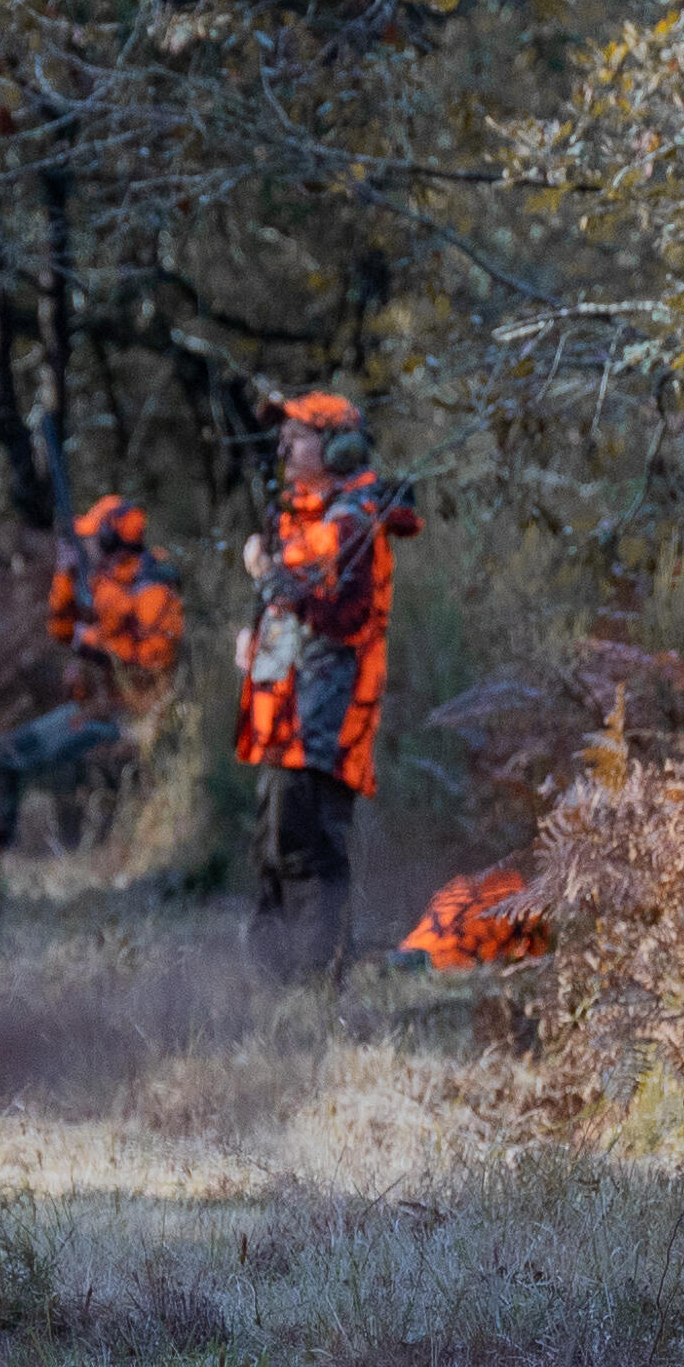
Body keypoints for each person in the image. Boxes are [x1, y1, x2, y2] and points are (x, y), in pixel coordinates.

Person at [233, 393, 414, 978]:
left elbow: (349, 619)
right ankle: (272, 985)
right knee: (273, 847)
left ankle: (315, 983)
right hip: (287, 719)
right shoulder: (302, 519)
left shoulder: (356, 523)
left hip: (327, 720)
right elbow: (296, 608)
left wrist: (272, 579)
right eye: (283, 436)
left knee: (309, 850)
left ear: (338, 447)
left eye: (300, 436)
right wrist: (256, 633)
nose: (283, 446)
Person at [47, 491, 188, 717]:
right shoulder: (103, 583)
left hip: (138, 716)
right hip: (102, 707)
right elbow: (61, 632)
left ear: (108, 540)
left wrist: (92, 643)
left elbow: (156, 660)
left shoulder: (152, 586)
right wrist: (64, 574)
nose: (87, 543)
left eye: (92, 535)